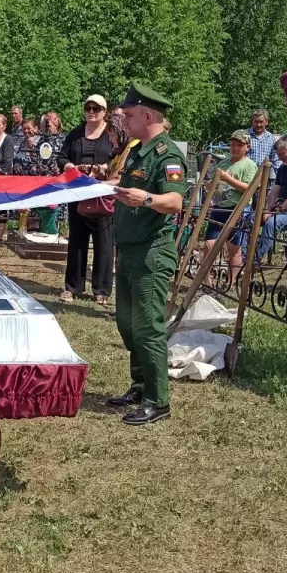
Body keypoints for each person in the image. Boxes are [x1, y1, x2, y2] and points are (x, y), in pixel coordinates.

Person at [106, 82, 187, 426]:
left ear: (148, 115)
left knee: (148, 328)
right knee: (128, 324)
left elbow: (175, 202)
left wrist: (147, 199)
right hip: (127, 250)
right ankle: (140, 385)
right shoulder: (138, 151)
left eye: (129, 114)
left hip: (151, 254)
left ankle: (158, 400)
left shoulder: (167, 156)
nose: (124, 120)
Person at [58, 95, 122, 305]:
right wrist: (71, 168)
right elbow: (62, 157)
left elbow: (120, 157)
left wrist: (104, 168)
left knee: (104, 242)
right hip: (78, 193)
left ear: (105, 111)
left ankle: (102, 289)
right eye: (88, 108)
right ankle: (72, 287)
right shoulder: (76, 133)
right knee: (76, 240)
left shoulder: (112, 134)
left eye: (96, 108)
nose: (91, 111)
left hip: (102, 194)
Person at [205, 130, 258, 285]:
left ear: (247, 147)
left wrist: (228, 179)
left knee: (233, 247)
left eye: (239, 145)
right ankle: (207, 281)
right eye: (233, 144)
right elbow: (214, 184)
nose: (235, 148)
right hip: (220, 207)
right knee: (209, 244)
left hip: (238, 208)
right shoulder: (223, 163)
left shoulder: (249, 165)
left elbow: (249, 188)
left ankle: (231, 282)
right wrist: (210, 185)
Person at [14, 118, 60, 235]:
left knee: (44, 212)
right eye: (24, 129)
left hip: (40, 184)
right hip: (24, 184)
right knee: (25, 212)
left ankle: (47, 234)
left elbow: (44, 163)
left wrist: (33, 149)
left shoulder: (43, 142)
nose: (26, 131)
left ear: (36, 128)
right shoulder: (21, 142)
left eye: (29, 128)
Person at [246, 108, 282, 173]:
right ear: (252, 121)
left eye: (261, 122)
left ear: (266, 122)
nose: (258, 125)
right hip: (246, 175)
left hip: (265, 177)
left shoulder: (271, 138)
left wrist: (280, 175)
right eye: (256, 121)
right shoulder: (245, 135)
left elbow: (276, 160)